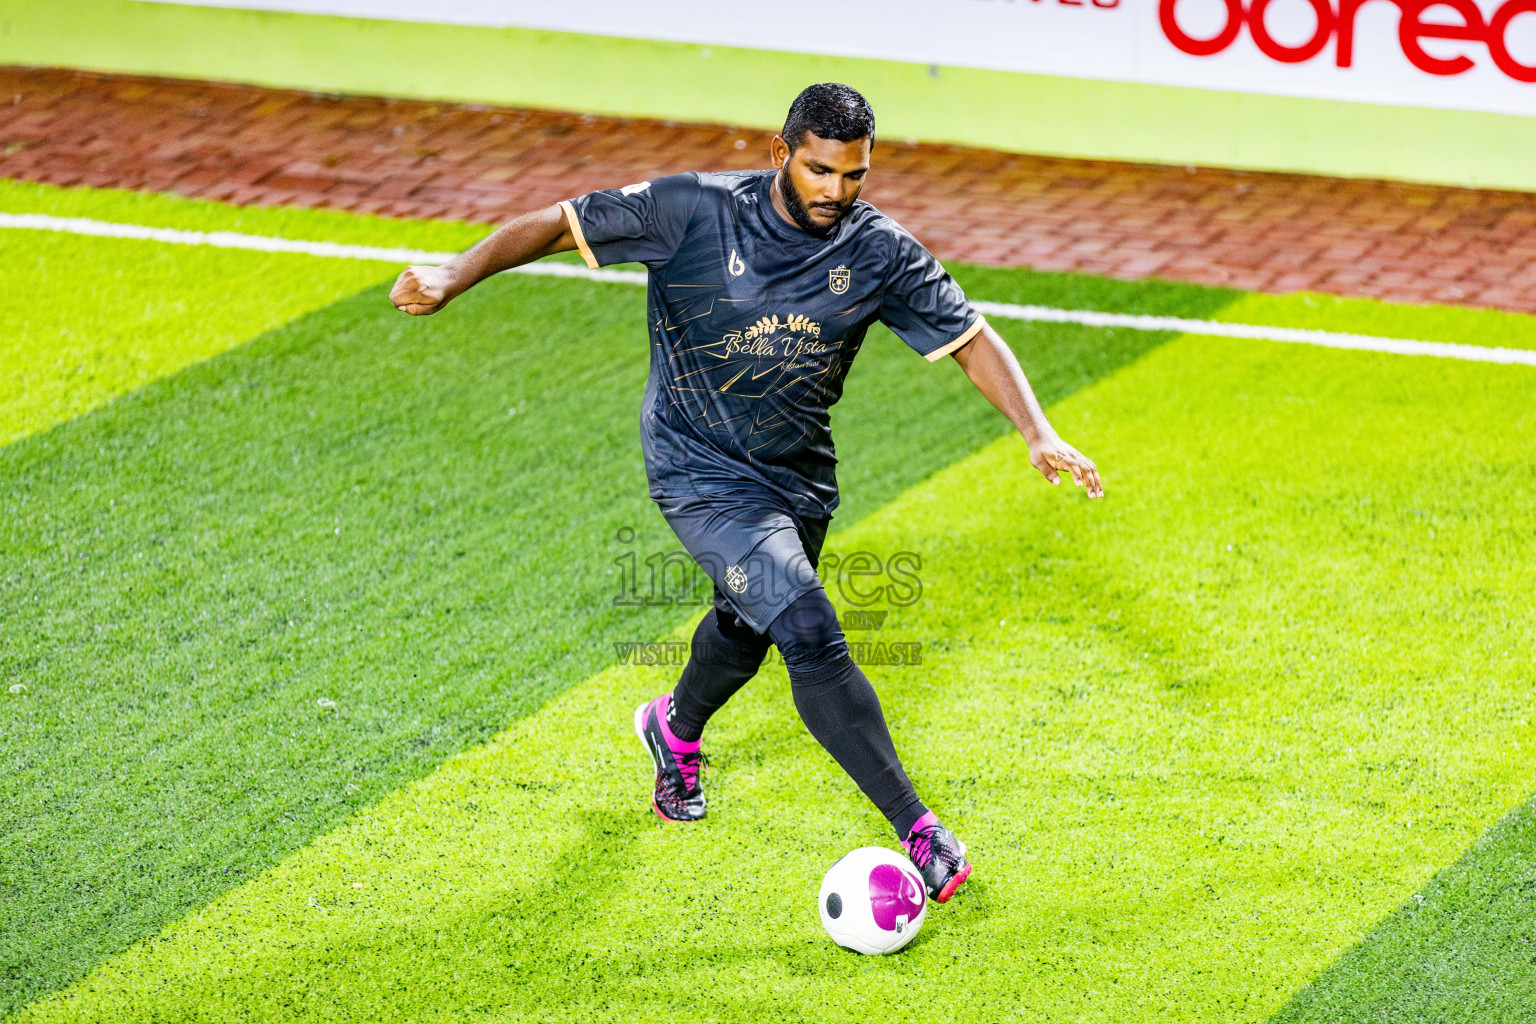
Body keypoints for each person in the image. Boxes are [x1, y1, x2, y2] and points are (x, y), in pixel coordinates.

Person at [389, 83, 1103, 904]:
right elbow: (558, 223)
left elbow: (971, 338)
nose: (836, 190)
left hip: (797, 477)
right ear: (780, 153)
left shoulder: (878, 251)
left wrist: (1036, 430)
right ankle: (918, 828)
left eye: (854, 175)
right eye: (820, 170)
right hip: (697, 469)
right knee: (806, 628)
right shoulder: (690, 209)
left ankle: (673, 727)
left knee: (747, 625)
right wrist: (455, 273)